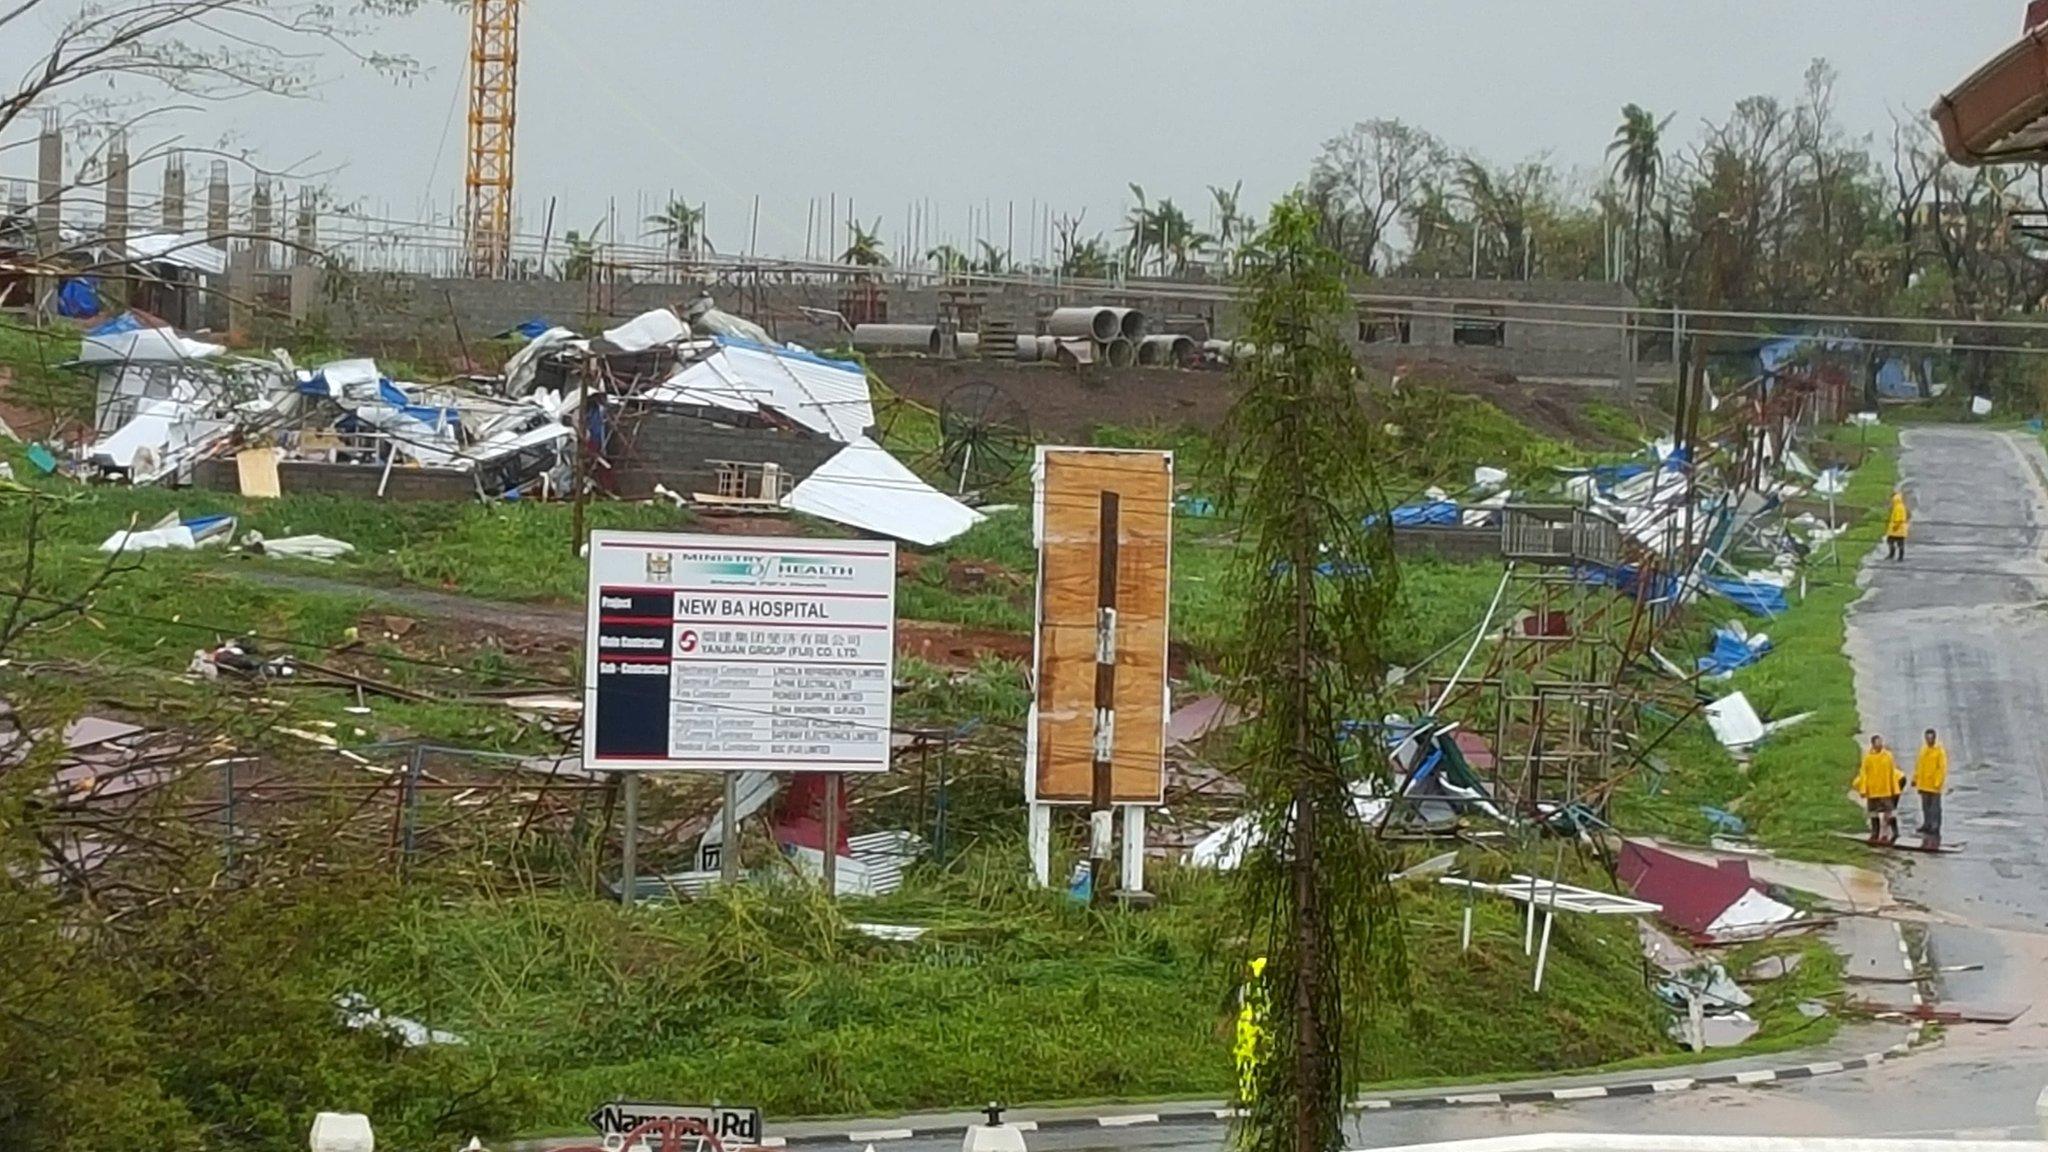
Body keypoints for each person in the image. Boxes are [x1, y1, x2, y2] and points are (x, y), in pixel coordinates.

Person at [1854, 734, 1904, 845]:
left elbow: (1892, 773)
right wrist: (1863, 790)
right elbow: (1864, 774)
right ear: (1873, 744)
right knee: (1873, 813)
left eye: (1880, 742)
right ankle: (1875, 833)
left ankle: (1889, 834)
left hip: (1885, 790)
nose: (1880, 744)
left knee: (1888, 812)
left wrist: (1894, 789)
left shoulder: (1888, 756)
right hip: (1872, 791)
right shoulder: (1867, 758)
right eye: (1877, 742)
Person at [1913, 728, 1948, 848]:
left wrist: (1938, 783)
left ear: (1934, 738)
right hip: (1923, 784)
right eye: (1927, 737)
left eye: (1931, 737)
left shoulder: (1939, 751)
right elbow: (1919, 766)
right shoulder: (1923, 750)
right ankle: (1927, 824)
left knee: (1935, 808)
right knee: (1925, 806)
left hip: (1934, 785)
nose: (1929, 740)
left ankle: (1935, 826)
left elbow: (1941, 768)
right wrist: (1915, 778)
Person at [1885, 489, 1909, 561]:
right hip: (1901, 529)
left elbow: (1899, 519)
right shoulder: (1900, 506)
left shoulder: (1898, 507)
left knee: (1891, 541)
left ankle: (1893, 555)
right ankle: (1900, 556)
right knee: (1900, 543)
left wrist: (1895, 527)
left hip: (1897, 529)